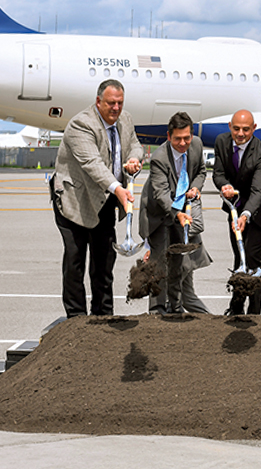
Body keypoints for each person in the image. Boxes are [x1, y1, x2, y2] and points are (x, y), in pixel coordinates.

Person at [51, 79, 143, 318]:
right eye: (111, 103)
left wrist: (134, 160)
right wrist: (119, 189)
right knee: (75, 258)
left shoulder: (125, 120)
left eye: (120, 103)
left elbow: (135, 145)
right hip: (75, 199)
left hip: (105, 199)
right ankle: (76, 317)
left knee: (104, 260)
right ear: (98, 101)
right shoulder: (81, 124)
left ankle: (103, 314)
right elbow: (93, 163)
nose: (116, 108)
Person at [138, 112, 212, 315]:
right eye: (177, 139)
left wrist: (196, 188)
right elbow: (161, 194)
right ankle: (157, 310)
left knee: (179, 260)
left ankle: (176, 307)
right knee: (160, 263)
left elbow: (201, 172)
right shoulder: (159, 158)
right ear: (168, 136)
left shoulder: (196, 145)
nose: (183, 143)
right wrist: (177, 213)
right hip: (159, 213)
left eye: (186, 138)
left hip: (181, 209)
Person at [213, 109, 261, 315]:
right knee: (239, 255)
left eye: (246, 129)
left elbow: (258, 190)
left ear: (253, 129)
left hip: (260, 208)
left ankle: (254, 311)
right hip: (235, 204)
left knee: (252, 257)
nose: (240, 133)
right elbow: (218, 173)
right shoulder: (221, 142)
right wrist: (224, 186)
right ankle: (236, 308)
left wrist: (246, 215)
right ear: (229, 127)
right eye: (236, 129)